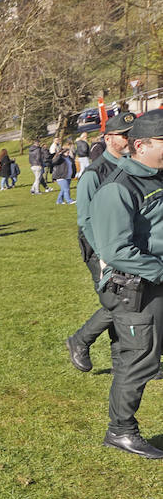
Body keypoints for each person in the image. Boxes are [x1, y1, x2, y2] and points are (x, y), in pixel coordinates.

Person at [87, 109, 163, 457]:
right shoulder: (118, 188)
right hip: (135, 288)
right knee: (140, 361)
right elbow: (116, 250)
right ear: (140, 145)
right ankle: (121, 430)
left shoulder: (156, 177)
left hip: (154, 283)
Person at [67, 111, 136, 374]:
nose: (130, 139)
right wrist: (103, 254)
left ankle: (126, 364)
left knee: (132, 299)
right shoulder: (94, 173)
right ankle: (81, 340)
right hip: (101, 248)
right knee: (118, 301)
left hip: (129, 244)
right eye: (124, 135)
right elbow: (85, 219)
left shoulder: (134, 166)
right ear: (109, 138)